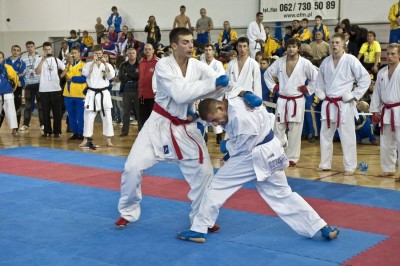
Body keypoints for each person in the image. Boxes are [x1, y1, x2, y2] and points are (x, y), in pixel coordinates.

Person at [177, 97, 339, 243]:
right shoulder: (235, 100)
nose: (215, 124)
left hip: (253, 154)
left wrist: (228, 149)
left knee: (217, 187)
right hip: (270, 151)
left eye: (215, 120)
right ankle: (322, 227)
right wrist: (197, 116)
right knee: (282, 194)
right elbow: (226, 100)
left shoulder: (242, 120)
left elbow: (242, 148)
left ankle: (199, 229)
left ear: (220, 108)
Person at [114, 27, 231, 229]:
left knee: (204, 173)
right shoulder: (163, 66)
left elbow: (223, 85)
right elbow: (180, 94)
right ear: (174, 46)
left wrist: (242, 94)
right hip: (158, 124)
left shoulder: (198, 66)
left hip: (187, 127)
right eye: (185, 42)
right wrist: (213, 83)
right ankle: (128, 211)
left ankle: (202, 218)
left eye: (192, 42)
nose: (190, 45)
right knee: (132, 168)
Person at [314, 33, 370, 175]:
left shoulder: (351, 60)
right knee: (325, 135)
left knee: (347, 136)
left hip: (344, 104)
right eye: (332, 42)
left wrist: (353, 95)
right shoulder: (325, 62)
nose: (334, 45)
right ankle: (325, 163)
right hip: (328, 103)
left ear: (344, 43)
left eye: (337, 42)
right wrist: (320, 93)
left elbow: (365, 79)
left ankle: (350, 166)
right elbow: (318, 82)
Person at [265, 38, 318, 166]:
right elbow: (267, 74)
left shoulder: (305, 63)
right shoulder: (279, 62)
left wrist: (308, 88)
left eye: (294, 46)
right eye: (289, 46)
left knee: (295, 129)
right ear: (286, 47)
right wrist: (274, 87)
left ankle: (292, 157)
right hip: (283, 99)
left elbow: (317, 77)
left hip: (297, 100)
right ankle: (276, 154)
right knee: (278, 128)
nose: (291, 49)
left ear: (298, 48)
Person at [370, 43, 400, 179]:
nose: (389, 56)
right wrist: (375, 110)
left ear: (399, 55)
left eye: (393, 53)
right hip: (386, 111)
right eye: (388, 53)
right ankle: (388, 168)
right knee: (387, 142)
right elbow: (376, 93)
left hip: (398, 109)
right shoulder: (381, 72)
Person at [80, 45, 115, 149]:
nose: (98, 55)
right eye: (96, 54)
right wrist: (94, 63)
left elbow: (111, 76)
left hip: (104, 93)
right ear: (92, 54)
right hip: (92, 94)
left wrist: (105, 63)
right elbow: (85, 74)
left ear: (102, 53)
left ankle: (108, 139)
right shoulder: (88, 64)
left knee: (107, 117)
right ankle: (86, 139)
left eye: (99, 53)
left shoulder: (107, 65)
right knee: (88, 117)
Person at [35, 42, 66, 137]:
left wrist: (60, 76)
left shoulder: (56, 60)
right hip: (43, 90)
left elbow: (65, 69)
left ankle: (57, 131)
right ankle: (47, 131)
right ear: (43, 50)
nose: (47, 51)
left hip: (55, 89)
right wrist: (42, 61)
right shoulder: (39, 59)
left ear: (51, 50)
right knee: (45, 112)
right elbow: (37, 72)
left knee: (57, 112)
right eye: (45, 49)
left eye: (49, 49)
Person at [200, 43, 226, 144]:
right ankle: (204, 136)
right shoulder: (200, 63)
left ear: (213, 52)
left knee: (215, 115)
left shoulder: (218, 64)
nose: (208, 52)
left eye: (210, 50)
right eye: (206, 50)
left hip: (215, 93)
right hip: (203, 92)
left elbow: (221, 78)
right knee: (203, 115)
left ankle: (219, 136)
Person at [63, 46, 86, 141]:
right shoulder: (68, 65)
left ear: (79, 54)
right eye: (72, 53)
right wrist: (70, 64)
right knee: (71, 115)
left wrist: (73, 78)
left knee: (80, 116)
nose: (73, 54)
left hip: (80, 94)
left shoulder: (84, 65)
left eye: (75, 52)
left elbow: (84, 78)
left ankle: (81, 133)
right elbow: (67, 76)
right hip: (68, 94)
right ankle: (75, 133)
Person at [20, 41, 43, 132]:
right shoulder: (23, 59)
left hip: (39, 84)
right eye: (28, 47)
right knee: (28, 106)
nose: (30, 48)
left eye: (31, 46)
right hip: (29, 84)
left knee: (41, 106)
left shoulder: (40, 58)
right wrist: (23, 82)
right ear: (26, 48)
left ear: (34, 47)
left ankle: (43, 124)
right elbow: (22, 72)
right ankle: (25, 124)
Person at [3, 45, 26, 129]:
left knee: (17, 107)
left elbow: (20, 74)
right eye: (14, 50)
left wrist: (9, 73)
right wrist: (12, 73)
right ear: (11, 51)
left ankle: (15, 129)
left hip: (18, 87)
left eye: (18, 50)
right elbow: (2, 71)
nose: (16, 52)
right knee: (2, 107)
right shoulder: (5, 61)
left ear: (20, 52)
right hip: (5, 88)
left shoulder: (22, 63)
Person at [119, 48, 139, 137]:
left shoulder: (140, 64)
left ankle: (141, 130)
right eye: (130, 53)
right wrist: (133, 76)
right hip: (126, 90)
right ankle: (124, 131)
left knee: (139, 112)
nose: (131, 54)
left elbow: (139, 77)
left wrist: (128, 75)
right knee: (126, 112)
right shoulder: (123, 65)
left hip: (137, 91)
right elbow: (121, 77)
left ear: (136, 54)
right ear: (127, 54)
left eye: (133, 53)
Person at [138, 43, 158, 131]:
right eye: (146, 49)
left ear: (153, 50)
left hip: (153, 96)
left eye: (149, 49)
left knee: (154, 119)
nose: (148, 51)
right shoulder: (141, 62)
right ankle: (144, 137)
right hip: (142, 96)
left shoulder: (158, 62)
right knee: (143, 118)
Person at [0, 51, 19, 137]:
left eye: (0, 57)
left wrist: (12, 90)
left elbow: (15, 79)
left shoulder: (8, 67)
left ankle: (14, 130)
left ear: (3, 58)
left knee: (11, 112)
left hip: (7, 93)